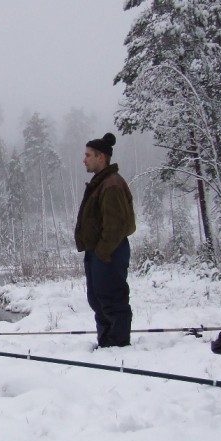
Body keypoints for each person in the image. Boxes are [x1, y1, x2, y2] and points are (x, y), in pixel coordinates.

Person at [74, 132, 136, 348]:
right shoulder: (102, 182)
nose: (84, 159)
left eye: (88, 155)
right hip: (99, 253)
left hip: (109, 252)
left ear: (101, 157)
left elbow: (116, 225)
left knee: (112, 299)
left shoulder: (111, 185)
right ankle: (107, 343)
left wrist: (102, 252)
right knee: (98, 299)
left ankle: (117, 345)